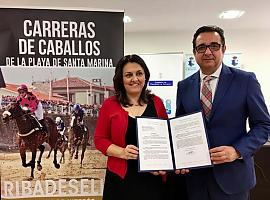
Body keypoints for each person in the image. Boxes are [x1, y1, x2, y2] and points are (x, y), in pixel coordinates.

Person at [172, 25, 270, 200]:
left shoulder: (246, 80)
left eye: (214, 46)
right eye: (201, 47)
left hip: (233, 179)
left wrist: (237, 151)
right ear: (194, 52)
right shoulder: (184, 86)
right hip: (195, 181)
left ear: (224, 49)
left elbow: (263, 125)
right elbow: (180, 126)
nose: (208, 52)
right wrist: (178, 158)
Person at [94, 54, 168, 200]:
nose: (135, 79)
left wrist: (161, 164)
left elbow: (167, 138)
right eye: (129, 75)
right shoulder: (110, 105)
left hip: (152, 180)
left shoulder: (157, 103)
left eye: (139, 74)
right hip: (120, 180)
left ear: (145, 76)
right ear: (121, 80)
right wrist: (122, 152)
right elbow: (100, 140)